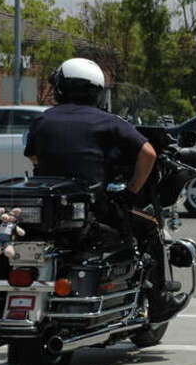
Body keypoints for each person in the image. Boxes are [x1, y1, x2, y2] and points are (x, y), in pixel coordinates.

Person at [24, 57, 187, 322]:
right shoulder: (107, 121)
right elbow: (148, 152)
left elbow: (33, 158)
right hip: (93, 211)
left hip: (49, 211)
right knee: (148, 227)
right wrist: (132, 189)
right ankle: (159, 302)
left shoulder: (43, 120)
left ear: (61, 88)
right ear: (96, 91)